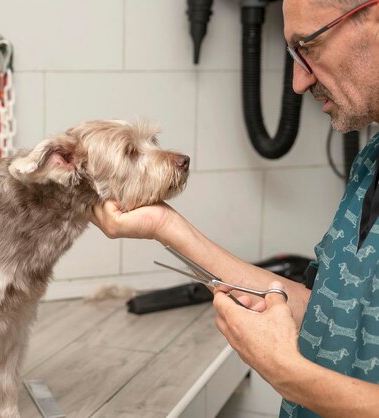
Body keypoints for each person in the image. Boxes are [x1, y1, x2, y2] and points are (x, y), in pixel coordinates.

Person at [91, 1, 379, 417]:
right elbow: (324, 310)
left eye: (308, 47)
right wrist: (165, 227)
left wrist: (286, 371)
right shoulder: (370, 162)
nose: (298, 81)